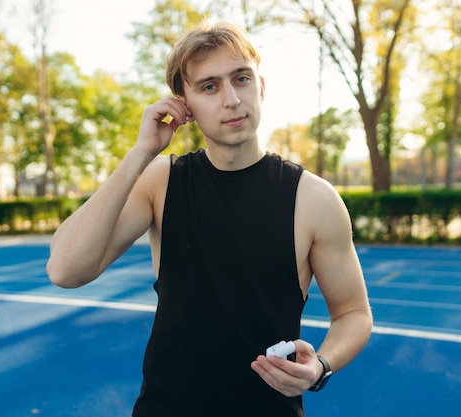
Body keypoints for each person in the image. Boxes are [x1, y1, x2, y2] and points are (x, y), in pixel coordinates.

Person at [47, 22, 372, 417]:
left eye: (241, 79)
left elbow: (353, 313)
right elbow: (66, 270)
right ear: (184, 104)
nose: (232, 99)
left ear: (261, 87)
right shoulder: (160, 182)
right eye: (209, 87)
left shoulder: (313, 198)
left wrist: (321, 366)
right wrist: (140, 153)